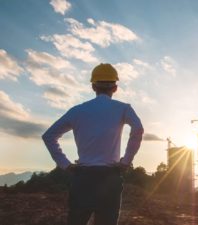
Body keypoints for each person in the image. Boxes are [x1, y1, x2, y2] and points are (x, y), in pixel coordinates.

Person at [42, 63, 144, 225]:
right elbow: (138, 129)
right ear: (115, 88)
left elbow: (49, 136)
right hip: (110, 178)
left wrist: (65, 164)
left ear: (93, 86)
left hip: (83, 178)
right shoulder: (123, 109)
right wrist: (126, 161)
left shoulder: (77, 111)